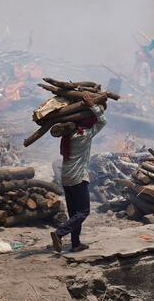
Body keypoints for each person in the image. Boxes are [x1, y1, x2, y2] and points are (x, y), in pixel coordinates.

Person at [51, 93, 107, 253]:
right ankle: (59, 233)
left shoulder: (67, 136)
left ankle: (75, 244)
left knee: (74, 213)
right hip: (78, 178)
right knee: (84, 211)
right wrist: (92, 105)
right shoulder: (84, 135)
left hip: (66, 178)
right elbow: (103, 120)